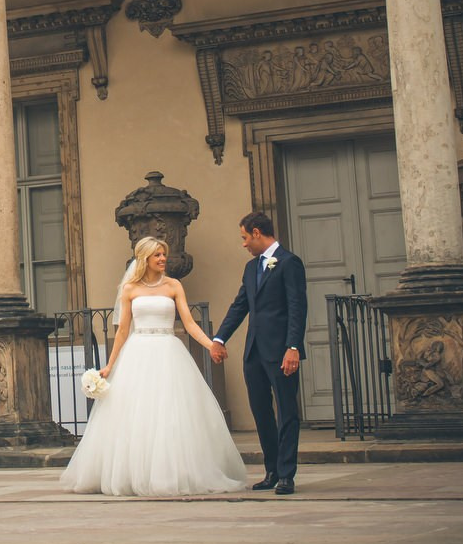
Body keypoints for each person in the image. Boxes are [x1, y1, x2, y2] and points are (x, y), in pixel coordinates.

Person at [59, 237, 248, 496]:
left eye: (163, 254)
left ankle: (173, 472)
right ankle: (134, 472)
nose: (162, 259)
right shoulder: (130, 289)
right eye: (157, 255)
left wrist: (211, 345)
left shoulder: (174, 285)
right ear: (145, 258)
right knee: (137, 415)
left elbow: (190, 324)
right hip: (138, 352)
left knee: (171, 414)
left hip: (168, 350)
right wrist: (110, 366)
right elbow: (123, 330)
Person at [211, 211, 308, 494]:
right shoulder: (251, 268)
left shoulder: (290, 263)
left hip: (281, 351)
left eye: (244, 237)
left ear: (256, 232)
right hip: (254, 351)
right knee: (261, 412)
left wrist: (293, 347)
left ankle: (287, 474)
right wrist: (219, 337)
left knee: (287, 410)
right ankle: (272, 470)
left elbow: (297, 308)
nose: (243, 244)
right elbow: (240, 305)